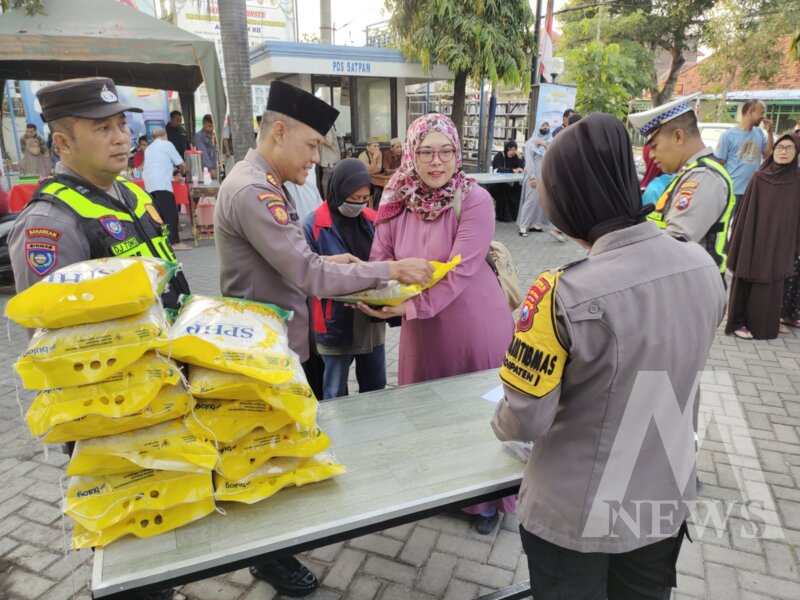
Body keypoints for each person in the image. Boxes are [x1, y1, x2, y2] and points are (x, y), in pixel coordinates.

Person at [492, 113, 726, 600]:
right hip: (660, 502)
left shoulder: (561, 293)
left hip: (574, 515)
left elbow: (524, 420)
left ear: (568, 201)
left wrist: (499, 421)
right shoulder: (702, 267)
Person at [214, 80, 432, 597]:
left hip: (276, 347)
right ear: (279, 131)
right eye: (312, 145)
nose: (316, 158)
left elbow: (294, 262)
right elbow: (308, 274)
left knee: (277, 456)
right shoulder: (253, 191)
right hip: (262, 357)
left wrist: (337, 261)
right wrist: (389, 269)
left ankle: (274, 549)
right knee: (266, 460)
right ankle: (269, 558)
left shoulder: (264, 182)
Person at [7, 76, 189, 600]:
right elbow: (54, 340)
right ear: (63, 142)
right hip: (109, 415)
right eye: (103, 128)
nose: (121, 137)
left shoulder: (131, 194)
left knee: (163, 516)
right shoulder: (50, 222)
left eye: (121, 125)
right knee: (125, 533)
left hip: (162, 395)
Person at [363, 113, 515, 534]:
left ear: (457, 153)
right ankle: (445, 490)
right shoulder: (396, 197)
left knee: (474, 412)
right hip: (422, 330)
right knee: (426, 413)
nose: (437, 162)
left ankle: (485, 502)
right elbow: (381, 256)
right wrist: (376, 294)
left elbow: (461, 269)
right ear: (410, 154)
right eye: (426, 152)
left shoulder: (475, 199)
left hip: (472, 322)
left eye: (446, 151)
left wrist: (407, 308)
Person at [304, 159, 387, 399]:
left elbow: (386, 260)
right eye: (353, 198)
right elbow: (304, 269)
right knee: (334, 391)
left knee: (376, 387)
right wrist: (335, 265)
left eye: (364, 198)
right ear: (338, 191)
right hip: (333, 320)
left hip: (370, 319)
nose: (358, 204)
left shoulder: (373, 220)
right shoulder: (313, 225)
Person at [629, 94, 735, 275]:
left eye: (654, 146)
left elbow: (675, 246)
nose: (651, 155)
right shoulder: (691, 172)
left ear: (678, 136)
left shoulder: (703, 177)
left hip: (695, 285)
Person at [725, 134, 800, 339]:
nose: (783, 152)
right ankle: (739, 322)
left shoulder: (796, 181)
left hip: (781, 241)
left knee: (775, 280)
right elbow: (746, 213)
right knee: (749, 275)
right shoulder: (760, 178)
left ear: (796, 153)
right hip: (755, 236)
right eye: (779, 147)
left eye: (789, 148)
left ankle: (765, 324)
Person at [715, 99, 775, 214]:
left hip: (752, 190)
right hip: (732, 191)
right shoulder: (728, 136)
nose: (763, 116)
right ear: (750, 111)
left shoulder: (759, 133)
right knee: (727, 223)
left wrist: (770, 132)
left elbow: (768, 155)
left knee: (745, 224)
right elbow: (719, 165)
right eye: (761, 112)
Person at [143, 128, 189, 250]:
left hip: (149, 185)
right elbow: (181, 164)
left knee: (159, 215)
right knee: (170, 214)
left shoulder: (148, 148)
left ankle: (165, 241)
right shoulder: (167, 144)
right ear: (165, 135)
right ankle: (174, 243)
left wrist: (173, 173)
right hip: (162, 184)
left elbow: (160, 165)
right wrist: (183, 172)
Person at [517, 122, 563, 241]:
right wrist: (532, 177)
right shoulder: (530, 143)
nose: (545, 128)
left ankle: (535, 224)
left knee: (541, 201)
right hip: (533, 175)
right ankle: (523, 225)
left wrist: (544, 144)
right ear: (538, 127)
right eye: (543, 126)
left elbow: (553, 156)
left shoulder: (550, 142)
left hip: (544, 175)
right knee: (531, 200)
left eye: (547, 126)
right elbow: (529, 161)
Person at [491, 140, 525, 222]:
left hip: (511, 182)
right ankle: (503, 216)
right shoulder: (500, 156)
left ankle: (515, 216)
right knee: (503, 189)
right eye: (511, 150)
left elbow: (521, 168)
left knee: (519, 189)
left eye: (514, 150)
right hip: (498, 183)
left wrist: (520, 158)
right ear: (507, 149)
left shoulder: (515, 157)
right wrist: (512, 170)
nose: (512, 152)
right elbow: (497, 170)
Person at [358, 137, 386, 205]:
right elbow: (367, 172)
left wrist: (373, 170)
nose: (377, 148)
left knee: (382, 188)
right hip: (363, 179)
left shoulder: (379, 153)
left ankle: (378, 208)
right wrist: (374, 159)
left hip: (373, 178)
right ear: (368, 147)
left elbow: (379, 169)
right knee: (376, 189)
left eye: (378, 146)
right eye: (374, 146)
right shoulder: (363, 156)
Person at [193, 113, 218, 180]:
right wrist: (211, 169)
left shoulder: (212, 135)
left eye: (213, 126)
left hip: (214, 167)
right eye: (209, 126)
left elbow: (215, 152)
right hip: (205, 170)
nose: (211, 128)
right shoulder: (199, 136)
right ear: (204, 124)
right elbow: (203, 154)